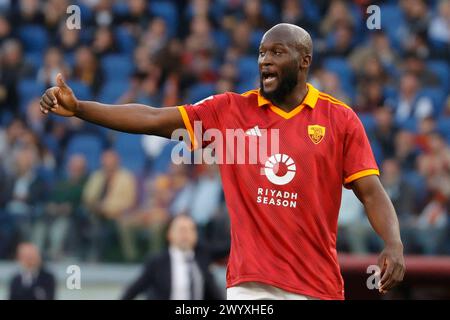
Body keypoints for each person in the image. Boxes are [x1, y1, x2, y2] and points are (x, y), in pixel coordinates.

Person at [40, 23, 405, 300]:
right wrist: (81, 109)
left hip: (316, 285)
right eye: (262, 52)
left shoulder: (339, 119)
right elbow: (153, 118)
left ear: (304, 61)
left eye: (277, 53)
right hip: (248, 288)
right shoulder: (230, 111)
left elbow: (370, 191)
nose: (265, 60)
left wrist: (393, 242)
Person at [121, 214, 225, 300]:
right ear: (170, 234)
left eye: (190, 230)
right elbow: (134, 290)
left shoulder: (202, 258)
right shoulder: (157, 262)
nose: (186, 234)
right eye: (181, 230)